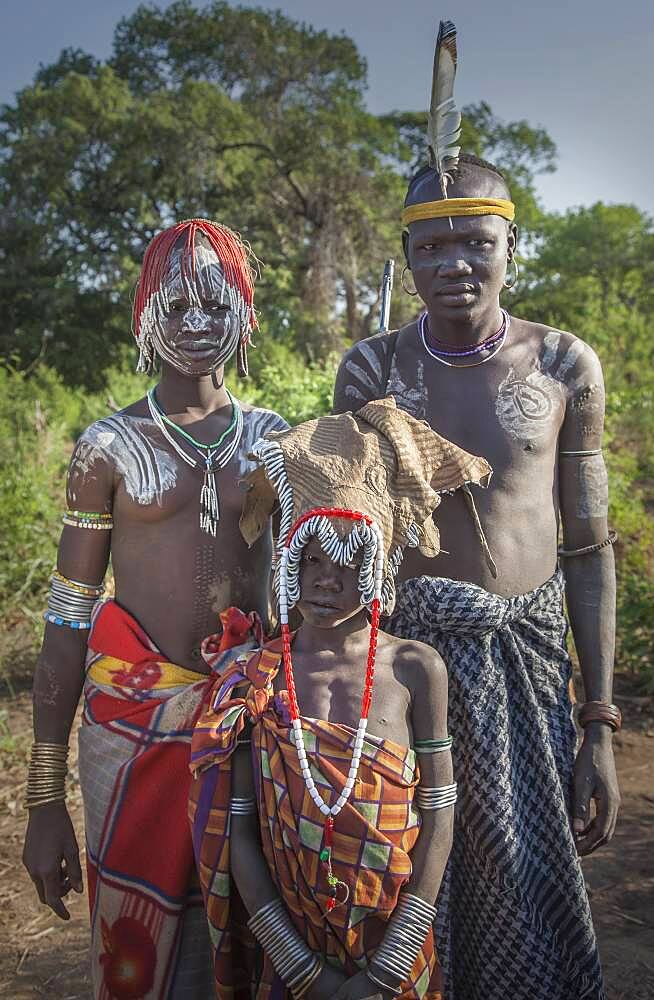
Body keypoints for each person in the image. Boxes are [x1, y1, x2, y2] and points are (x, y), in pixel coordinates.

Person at [333, 155, 620, 999]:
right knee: (401, 866)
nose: (455, 263)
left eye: (476, 242)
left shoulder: (565, 365)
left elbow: (588, 550)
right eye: (433, 246)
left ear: (511, 247)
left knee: (518, 871)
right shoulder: (371, 371)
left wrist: (597, 723)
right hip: (404, 664)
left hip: (524, 662)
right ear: (408, 256)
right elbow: (347, 536)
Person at [22, 218, 288, 998]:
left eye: (216, 302)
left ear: (244, 309)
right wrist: (42, 802)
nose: (198, 323)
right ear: (145, 316)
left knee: (256, 923)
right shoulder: (107, 447)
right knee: (140, 948)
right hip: (129, 732)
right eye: (177, 308)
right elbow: (69, 622)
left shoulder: (274, 444)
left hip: (246, 721)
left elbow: (318, 593)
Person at [188, 397, 492, 999]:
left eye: (351, 561)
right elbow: (241, 835)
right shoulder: (256, 678)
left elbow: (439, 818)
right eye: (311, 559)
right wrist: (306, 975)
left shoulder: (415, 669)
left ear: (383, 566)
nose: (327, 580)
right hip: (292, 955)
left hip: (396, 951)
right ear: (287, 564)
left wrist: (391, 963)